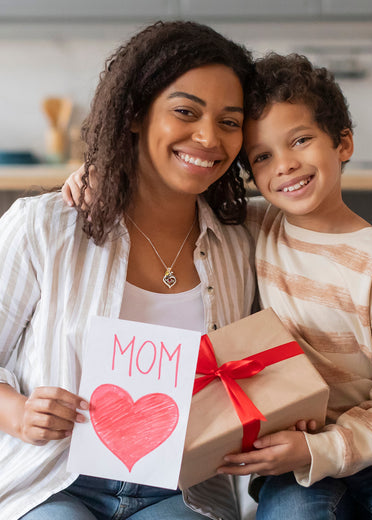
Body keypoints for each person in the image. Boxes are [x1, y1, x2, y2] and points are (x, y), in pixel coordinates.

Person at [0, 21, 259, 520]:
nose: (208, 137)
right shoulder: (44, 227)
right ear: (135, 113)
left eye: (230, 121)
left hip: (182, 488)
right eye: (186, 111)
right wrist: (17, 413)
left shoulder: (243, 241)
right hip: (52, 481)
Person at [214, 53, 372, 518]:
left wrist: (319, 450)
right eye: (262, 156)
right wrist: (95, 175)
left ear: (342, 142)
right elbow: (173, 201)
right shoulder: (256, 225)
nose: (284, 166)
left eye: (300, 140)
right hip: (291, 455)